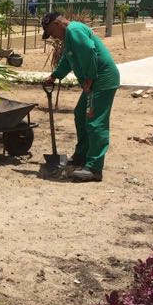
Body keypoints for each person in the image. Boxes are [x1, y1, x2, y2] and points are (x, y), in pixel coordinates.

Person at [41, 12, 120, 182]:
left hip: (101, 80)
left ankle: (94, 168)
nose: (53, 36)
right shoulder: (70, 36)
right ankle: (81, 156)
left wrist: (90, 79)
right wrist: (54, 76)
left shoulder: (74, 30)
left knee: (95, 121)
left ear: (57, 23)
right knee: (80, 115)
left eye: (51, 31)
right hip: (94, 81)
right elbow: (68, 60)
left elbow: (88, 52)